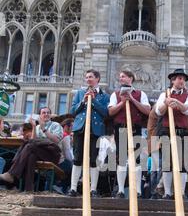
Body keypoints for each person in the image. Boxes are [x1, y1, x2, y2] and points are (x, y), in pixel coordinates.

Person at [108, 69, 150, 198]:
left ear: (130, 78)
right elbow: (111, 112)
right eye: (120, 77)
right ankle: (120, 190)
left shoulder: (140, 94)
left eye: (123, 76)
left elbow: (148, 110)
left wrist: (131, 99)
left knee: (136, 160)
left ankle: (137, 190)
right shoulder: (115, 94)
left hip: (135, 128)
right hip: (120, 128)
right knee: (121, 159)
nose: (121, 79)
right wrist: (122, 102)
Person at [69, 69, 110, 197]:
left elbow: (106, 113)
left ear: (97, 79)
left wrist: (94, 101)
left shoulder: (105, 96)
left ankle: (93, 189)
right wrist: (83, 102)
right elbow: (73, 111)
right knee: (77, 158)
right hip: (80, 128)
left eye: (90, 77)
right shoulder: (80, 93)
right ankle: (73, 188)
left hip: (96, 130)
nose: (88, 79)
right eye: (86, 77)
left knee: (94, 160)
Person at [0, 108, 62, 192]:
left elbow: (56, 140)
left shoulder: (56, 125)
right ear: (40, 115)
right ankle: (28, 189)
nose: (46, 114)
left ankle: (11, 174)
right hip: (39, 152)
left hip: (52, 153)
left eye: (48, 113)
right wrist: (33, 126)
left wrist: (44, 129)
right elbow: (32, 140)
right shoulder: (37, 127)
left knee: (28, 146)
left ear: (50, 115)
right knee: (31, 156)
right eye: (44, 113)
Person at [155, 68, 188, 199]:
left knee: (182, 164)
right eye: (180, 78)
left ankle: (180, 193)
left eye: (183, 79)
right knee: (167, 163)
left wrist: (177, 102)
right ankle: (167, 192)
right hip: (167, 132)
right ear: (173, 80)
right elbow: (159, 112)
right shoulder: (163, 95)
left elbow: (187, 110)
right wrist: (166, 104)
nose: (182, 81)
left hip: (182, 132)